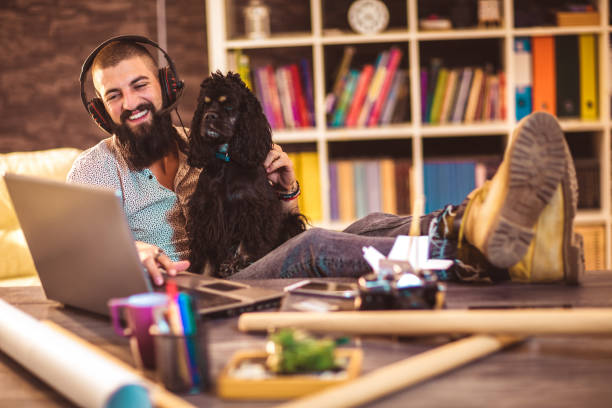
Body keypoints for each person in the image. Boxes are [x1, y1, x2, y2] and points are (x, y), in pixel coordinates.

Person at [68, 36, 584, 286]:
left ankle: (484, 217)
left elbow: (270, 224)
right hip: (199, 293)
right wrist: (130, 248)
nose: (129, 101)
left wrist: (287, 191)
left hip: (250, 263)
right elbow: (82, 259)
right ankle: (475, 251)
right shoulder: (92, 170)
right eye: (113, 95)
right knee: (316, 246)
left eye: (139, 85)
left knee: (372, 222)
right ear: (100, 109)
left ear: (167, 86)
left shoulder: (205, 141)